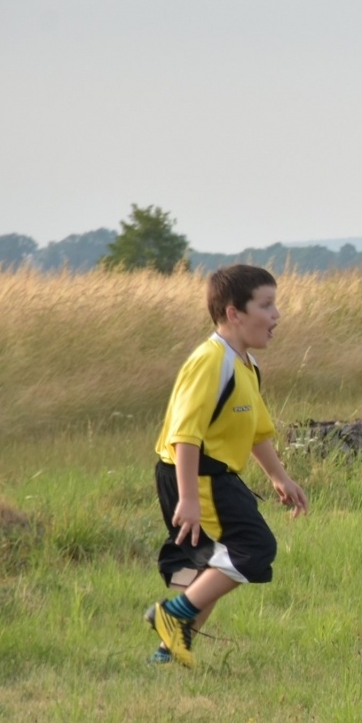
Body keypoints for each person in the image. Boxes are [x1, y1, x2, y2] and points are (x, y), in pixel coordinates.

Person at [146, 264, 308, 668]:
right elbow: (185, 435)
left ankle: (167, 653)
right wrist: (188, 498)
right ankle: (173, 615)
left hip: (215, 476)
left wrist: (279, 476)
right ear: (234, 312)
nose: (276, 315)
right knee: (253, 548)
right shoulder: (211, 361)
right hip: (195, 476)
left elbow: (255, 432)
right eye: (266, 305)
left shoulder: (245, 364)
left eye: (276, 305)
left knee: (214, 565)